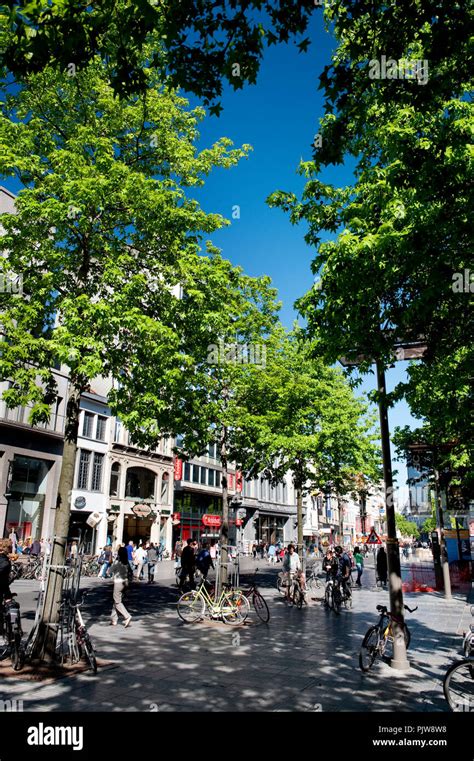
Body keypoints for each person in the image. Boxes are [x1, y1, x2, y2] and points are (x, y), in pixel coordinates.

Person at [110, 546, 132, 627]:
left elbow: (109, 571)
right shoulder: (127, 563)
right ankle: (114, 619)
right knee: (116, 600)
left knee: (117, 602)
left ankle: (127, 616)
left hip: (118, 583)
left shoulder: (117, 563)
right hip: (125, 583)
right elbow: (130, 572)